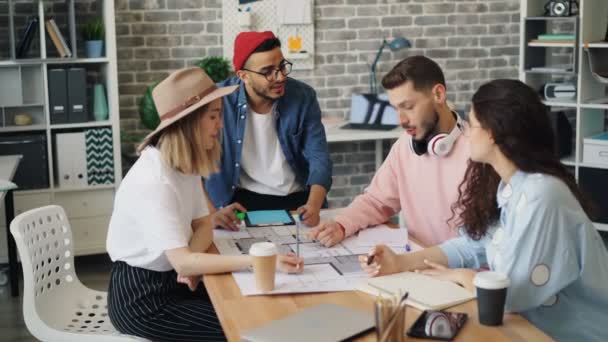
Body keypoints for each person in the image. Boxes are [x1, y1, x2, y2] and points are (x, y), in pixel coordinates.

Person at [359, 79, 608, 341]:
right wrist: (400, 263)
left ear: (492, 134)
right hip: (527, 326)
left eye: (472, 124)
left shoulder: (542, 194)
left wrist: (461, 276)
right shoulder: (508, 186)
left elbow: (511, 295)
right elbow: (473, 245)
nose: (466, 132)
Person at [106, 67, 302, 342]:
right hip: (144, 300)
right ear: (189, 122)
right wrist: (257, 262)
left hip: (172, 279)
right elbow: (184, 260)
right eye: (213, 116)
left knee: (257, 306)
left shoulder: (182, 167)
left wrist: (191, 266)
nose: (220, 125)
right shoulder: (154, 181)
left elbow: (204, 227)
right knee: (247, 326)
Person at [310, 55, 469, 247]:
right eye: (395, 109)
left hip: (460, 271)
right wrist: (342, 225)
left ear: (438, 94)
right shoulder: (405, 146)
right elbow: (377, 201)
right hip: (418, 263)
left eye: (408, 107)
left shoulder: (478, 151)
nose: (401, 120)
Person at [204, 31, 332, 229]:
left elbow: (319, 157)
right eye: (268, 71)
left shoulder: (303, 97)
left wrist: (314, 205)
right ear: (243, 76)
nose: (280, 76)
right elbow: (189, 162)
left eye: (282, 66)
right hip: (241, 204)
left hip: (299, 202)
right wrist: (211, 213)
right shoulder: (218, 100)